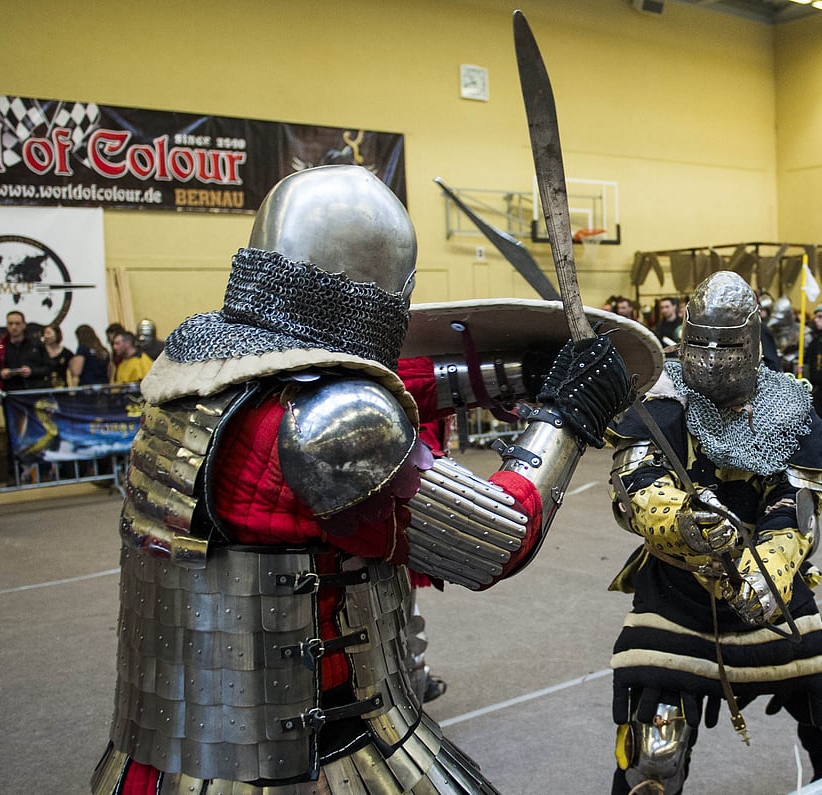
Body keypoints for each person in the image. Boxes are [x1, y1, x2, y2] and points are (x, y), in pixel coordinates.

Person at [90, 165, 638, 793]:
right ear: (386, 291)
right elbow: (498, 538)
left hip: (164, 754)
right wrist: (566, 417)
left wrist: (514, 372)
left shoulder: (200, 373)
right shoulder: (323, 425)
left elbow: (383, 380)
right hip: (311, 758)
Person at [605, 270, 822, 795]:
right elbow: (634, 488)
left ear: (750, 341)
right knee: (655, 760)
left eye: (726, 344)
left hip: (770, 588)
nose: (711, 357)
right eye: (701, 342)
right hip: (678, 590)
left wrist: (765, 571)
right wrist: (683, 523)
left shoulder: (786, 402)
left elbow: (799, 504)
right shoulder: (660, 401)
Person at [0, 310, 51, 392]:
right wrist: (1, 373)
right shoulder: (0, 346)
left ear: (24, 325)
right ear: (7, 325)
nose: (14, 327)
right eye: (10, 323)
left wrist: (32, 372)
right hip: (10, 393)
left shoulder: (37, 344)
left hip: (35, 391)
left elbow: (49, 368)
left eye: (17, 323)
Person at [41, 323, 73, 388]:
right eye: (44, 333)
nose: (45, 336)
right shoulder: (39, 351)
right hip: (43, 387)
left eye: (48, 333)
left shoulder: (67, 353)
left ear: (57, 334)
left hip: (61, 387)